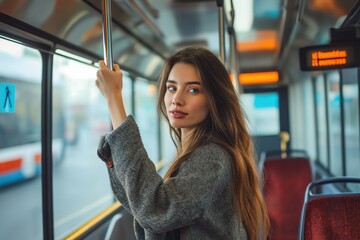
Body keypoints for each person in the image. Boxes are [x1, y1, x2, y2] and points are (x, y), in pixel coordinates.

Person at [95, 47, 269, 240]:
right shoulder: (192, 153)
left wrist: (114, 99)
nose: (177, 100)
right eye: (172, 88)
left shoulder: (212, 158)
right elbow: (140, 202)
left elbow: (155, 210)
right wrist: (115, 155)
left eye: (193, 90)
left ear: (214, 100)